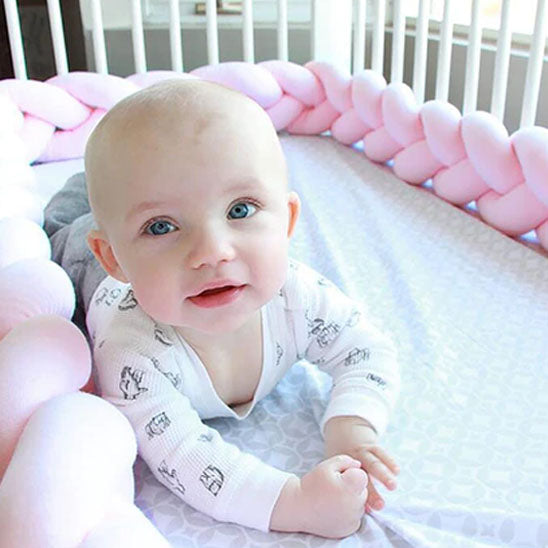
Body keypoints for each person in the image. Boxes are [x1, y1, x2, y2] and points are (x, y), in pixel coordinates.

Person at [44, 79, 401, 538]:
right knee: (64, 223)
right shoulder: (132, 351)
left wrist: (352, 429)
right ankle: (85, 193)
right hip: (89, 269)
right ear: (114, 257)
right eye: (161, 226)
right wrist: (293, 503)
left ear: (287, 221)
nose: (212, 252)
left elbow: (366, 350)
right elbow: (185, 458)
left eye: (240, 210)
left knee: (123, 190)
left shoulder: (298, 295)